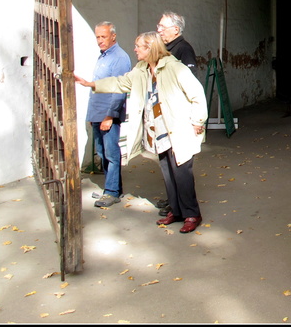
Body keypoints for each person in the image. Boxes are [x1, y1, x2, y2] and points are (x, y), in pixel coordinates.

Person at [75, 32, 208, 234]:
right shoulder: (142, 70)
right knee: (168, 173)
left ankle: (192, 214)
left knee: (182, 174)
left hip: (178, 129)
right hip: (159, 132)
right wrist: (92, 84)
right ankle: (177, 211)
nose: (135, 49)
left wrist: (198, 121)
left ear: (151, 48)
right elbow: (121, 82)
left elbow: (197, 94)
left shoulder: (174, 68)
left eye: (139, 46)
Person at [86, 21, 131, 208]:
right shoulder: (103, 56)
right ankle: (110, 188)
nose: (100, 40)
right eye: (97, 37)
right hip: (98, 114)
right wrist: (93, 115)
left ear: (113, 36)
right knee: (102, 152)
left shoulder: (120, 58)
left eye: (103, 36)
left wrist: (109, 116)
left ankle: (112, 192)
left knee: (111, 153)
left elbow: (119, 90)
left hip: (108, 115)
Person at [157, 11, 198, 77]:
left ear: (176, 30)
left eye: (163, 27)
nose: (159, 30)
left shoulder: (184, 49)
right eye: (159, 26)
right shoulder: (162, 47)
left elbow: (190, 76)